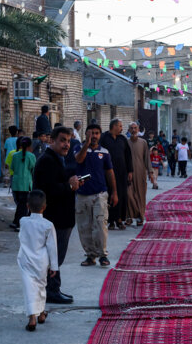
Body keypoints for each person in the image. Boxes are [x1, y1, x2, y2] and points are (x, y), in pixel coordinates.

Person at [33, 126, 81, 304]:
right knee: (53, 257)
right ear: (52, 141)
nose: (66, 144)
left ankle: (54, 288)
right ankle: (50, 290)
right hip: (54, 218)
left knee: (56, 257)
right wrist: (70, 186)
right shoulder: (47, 161)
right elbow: (49, 190)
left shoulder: (58, 159)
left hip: (62, 218)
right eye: (62, 140)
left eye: (68, 141)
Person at [74, 124, 118, 267]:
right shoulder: (78, 148)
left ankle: (102, 255)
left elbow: (110, 173)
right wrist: (86, 144)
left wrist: (114, 192)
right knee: (84, 227)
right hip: (82, 195)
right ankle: (90, 255)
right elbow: (79, 160)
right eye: (91, 133)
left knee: (100, 225)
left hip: (100, 194)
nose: (94, 136)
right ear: (86, 134)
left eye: (97, 133)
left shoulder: (104, 152)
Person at [16, 190, 58, 331]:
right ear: (44, 207)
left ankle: (32, 317)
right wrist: (54, 267)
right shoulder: (48, 225)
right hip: (41, 261)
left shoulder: (23, 221)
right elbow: (52, 247)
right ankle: (40, 313)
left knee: (29, 287)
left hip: (26, 260)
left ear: (27, 206)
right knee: (41, 286)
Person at [100, 119, 133, 230]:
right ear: (114, 126)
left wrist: (130, 171)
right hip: (108, 173)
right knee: (109, 195)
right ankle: (111, 221)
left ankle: (119, 219)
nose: (122, 128)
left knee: (121, 195)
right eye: (120, 126)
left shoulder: (122, 139)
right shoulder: (104, 138)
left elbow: (128, 156)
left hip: (122, 173)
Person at [127, 122, 153, 226]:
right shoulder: (126, 142)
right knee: (129, 194)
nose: (133, 130)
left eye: (135, 128)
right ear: (129, 130)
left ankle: (140, 217)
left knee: (140, 195)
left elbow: (147, 158)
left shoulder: (143, 143)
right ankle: (129, 216)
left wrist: (150, 172)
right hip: (128, 173)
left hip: (141, 172)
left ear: (138, 130)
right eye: (131, 128)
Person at [10, 137, 36, 231]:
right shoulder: (31, 156)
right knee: (23, 205)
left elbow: (12, 167)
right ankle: (19, 223)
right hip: (25, 183)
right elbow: (33, 168)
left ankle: (16, 221)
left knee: (20, 204)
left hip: (16, 183)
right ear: (30, 146)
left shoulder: (15, 155)